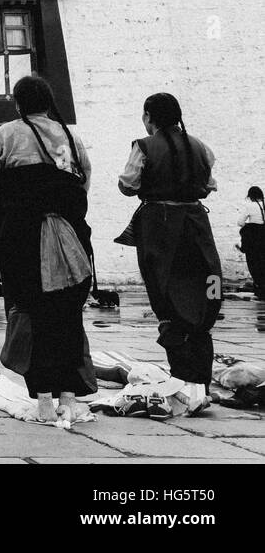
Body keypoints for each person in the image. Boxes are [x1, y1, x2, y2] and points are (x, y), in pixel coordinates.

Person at [0, 75, 95, 424]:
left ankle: (42, 401)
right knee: (68, 316)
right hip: (71, 237)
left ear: (18, 103)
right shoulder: (70, 136)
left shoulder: (8, 133)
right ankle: (69, 400)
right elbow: (84, 180)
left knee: (32, 312)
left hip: (23, 236)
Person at [118, 92, 222, 414]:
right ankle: (201, 383)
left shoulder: (144, 147)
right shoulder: (201, 146)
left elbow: (127, 184)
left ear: (149, 116)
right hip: (197, 225)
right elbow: (209, 184)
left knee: (167, 300)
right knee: (206, 291)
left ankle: (181, 380)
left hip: (159, 230)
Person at [236, 186, 265, 299]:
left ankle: (259, 288)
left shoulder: (250, 206)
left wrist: (249, 225)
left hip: (254, 238)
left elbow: (240, 222)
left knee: (254, 263)